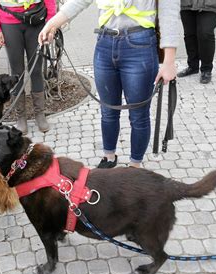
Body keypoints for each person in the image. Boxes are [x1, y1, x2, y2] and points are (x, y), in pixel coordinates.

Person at [39, 0, 180, 168]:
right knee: (108, 110)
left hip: (140, 44)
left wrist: (169, 61)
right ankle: (109, 157)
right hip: (104, 42)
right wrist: (53, 23)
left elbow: (169, 10)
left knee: (139, 115)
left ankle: (134, 167)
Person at [0, 0, 57, 134]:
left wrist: (51, 22)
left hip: (35, 19)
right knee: (17, 73)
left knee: (36, 70)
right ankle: (21, 117)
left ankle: (40, 114)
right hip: (9, 22)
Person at [177, 0, 216, 84]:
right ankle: (192, 66)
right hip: (187, 3)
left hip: (210, 4)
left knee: (205, 33)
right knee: (189, 34)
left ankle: (206, 69)